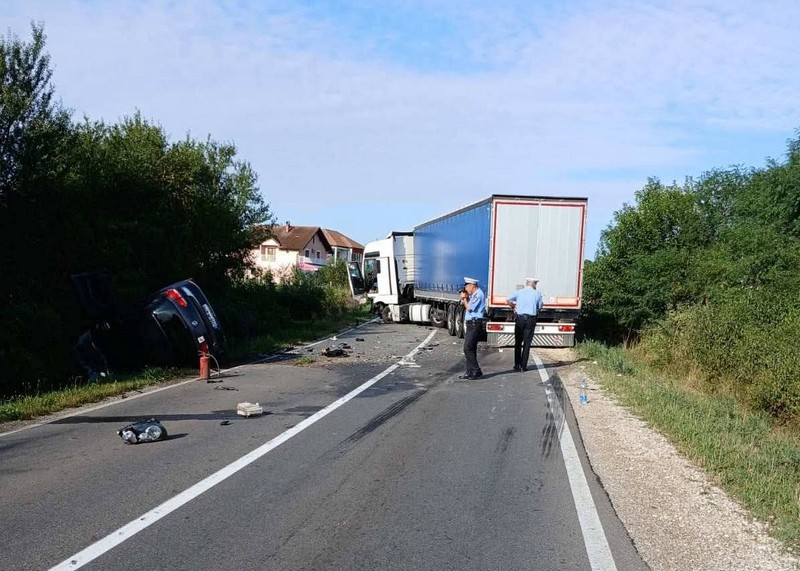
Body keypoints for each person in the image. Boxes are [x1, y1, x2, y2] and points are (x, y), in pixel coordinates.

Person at [506, 277, 544, 372]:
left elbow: (508, 299)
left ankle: (516, 365)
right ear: (534, 284)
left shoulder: (519, 292)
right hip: (531, 320)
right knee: (527, 344)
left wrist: (513, 306)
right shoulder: (537, 294)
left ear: (527, 283)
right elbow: (540, 306)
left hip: (520, 319)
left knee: (518, 343)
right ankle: (523, 366)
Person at [458, 277, 486, 380]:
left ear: (472, 286)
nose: (466, 289)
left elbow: (470, 308)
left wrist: (464, 298)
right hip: (471, 323)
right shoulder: (474, 294)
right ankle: (470, 371)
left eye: (467, 287)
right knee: (471, 348)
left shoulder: (478, 294)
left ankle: (476, 370)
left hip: (475, 323)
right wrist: (466, 297)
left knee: (467, 348)